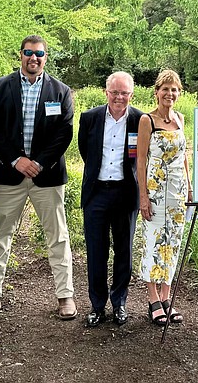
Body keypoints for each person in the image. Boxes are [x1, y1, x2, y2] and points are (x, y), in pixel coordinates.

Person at [0, 35, 76, 323]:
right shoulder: (0, 87)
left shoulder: (61, 91)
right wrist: (17, 160)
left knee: (58, 238)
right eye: (29, 53)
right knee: (0, 237)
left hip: (48, 176)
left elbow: (64, 132)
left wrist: (39, 163)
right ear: (20, 55)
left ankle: (65, 296)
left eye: (39, 53)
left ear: (45, 57)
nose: (34, 58)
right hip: (8, 174)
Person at [78, 72, 143, 327]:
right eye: (114, 92)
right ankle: (96, 305)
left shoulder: (140, 120)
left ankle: (119, 303)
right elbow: (86, 151)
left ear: (131, 95)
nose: (119, 97)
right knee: (96, 251)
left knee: (124, 252)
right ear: (106, 93)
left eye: (124, 93)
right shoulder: (90, 118)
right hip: (96, 193)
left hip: (126, 193)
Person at [137, 69, 191, 326]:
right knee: (154, 241)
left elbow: (184, 158)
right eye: (165, 89)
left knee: (174, 243)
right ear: (156, 92)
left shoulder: (180, 119)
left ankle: (167, 296)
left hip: (178, 193)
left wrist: (190, 188)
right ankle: (152, 299)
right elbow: (140, 161)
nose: (169, 94)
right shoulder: (147, 120)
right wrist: (143, 197)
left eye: (174, 90)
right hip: (156, 192)